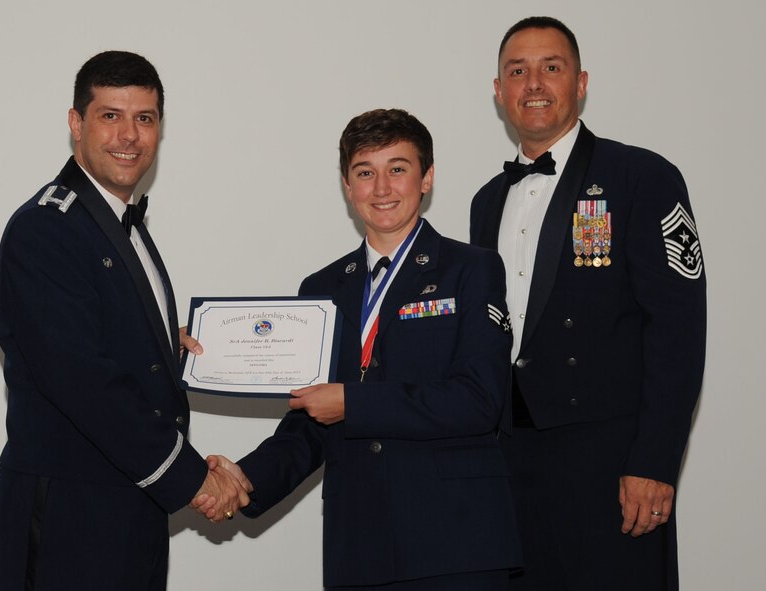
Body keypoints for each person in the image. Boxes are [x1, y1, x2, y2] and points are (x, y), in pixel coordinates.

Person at [195, 108, 521, 589]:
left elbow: (479, 400)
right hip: (360, 546)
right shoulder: (322, 289)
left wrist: (352, 402)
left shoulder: (472, 270)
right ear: (347, 186)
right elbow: (308, 424)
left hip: (455, 543)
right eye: (365, 173)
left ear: (426, 177)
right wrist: (243, 480)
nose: (382, 188)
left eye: (398, 169)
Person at [0, 50, 248, 591]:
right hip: (68, 513)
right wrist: (194, 479)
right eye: (110, 116)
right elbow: (82, 379)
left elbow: (100, 337)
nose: (129, 135)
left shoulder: (119, 222)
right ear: (75, 123)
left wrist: (162, 346)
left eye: (144, 119)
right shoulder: (46, 229)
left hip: (130, 505)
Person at [469, 16, 706, 590]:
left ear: (580, 83)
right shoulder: (485, 202)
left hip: (610, 462)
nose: (534, 84)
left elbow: (677, 329)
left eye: (552, 68)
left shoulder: (642, 176)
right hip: (513, 460)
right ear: (498, 91)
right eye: (517, 71)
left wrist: (653, 462)